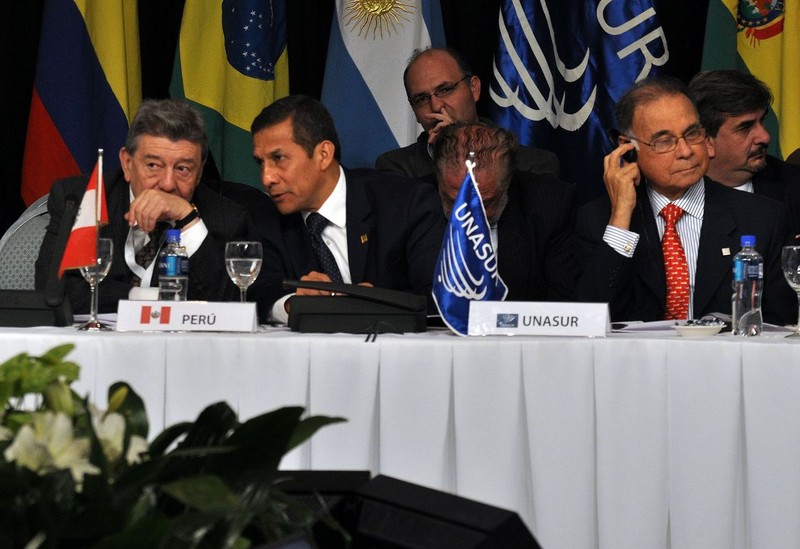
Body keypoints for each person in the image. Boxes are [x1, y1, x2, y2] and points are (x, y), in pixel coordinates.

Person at [575, 76, 795, 324]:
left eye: (692, 134)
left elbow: (781, 326)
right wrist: (621, 217)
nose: (686, 151)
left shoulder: (762, 217)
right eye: (664, 141)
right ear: (628, 146)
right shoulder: (598, 220)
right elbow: (589, 319)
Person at [35, 99, 248, 313]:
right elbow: (53, 292)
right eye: (153, 165)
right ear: (127, 164)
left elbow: (228, 307)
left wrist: (187, 218)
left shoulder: (227, 218)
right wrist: (143, 297)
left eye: (183, 169)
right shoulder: (83, 199)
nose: (167, 184)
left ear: (200, 172)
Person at [247, 95, 445, 324]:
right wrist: (293, 303)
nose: (266, 177)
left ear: (323, 154)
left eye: (278, 158)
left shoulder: (406, 203)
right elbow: (258, 292)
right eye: (260, 162)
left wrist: (376, 302)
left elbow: (438, 296)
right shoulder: (265, 219)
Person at [433, 121, 578, 301]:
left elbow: (565, 307)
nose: (469, 216)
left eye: (485, 204)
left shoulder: (550, 206)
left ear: (507, 184)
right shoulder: (412, 206)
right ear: (438, 183)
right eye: (455, 202)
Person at [375, 47, 560, 186]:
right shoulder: (396, 169)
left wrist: (463, 146)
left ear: (474, 88)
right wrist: (448, 153)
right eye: (421, 99)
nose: (436, 106)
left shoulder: (533, 165)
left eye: (445, 89)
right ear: (414, 111)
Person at [689, 69, 800, 240]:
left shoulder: (793, 186)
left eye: (762, 120)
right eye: (745, 127)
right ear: (706, 140)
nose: (765, 137)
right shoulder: (673, 193)